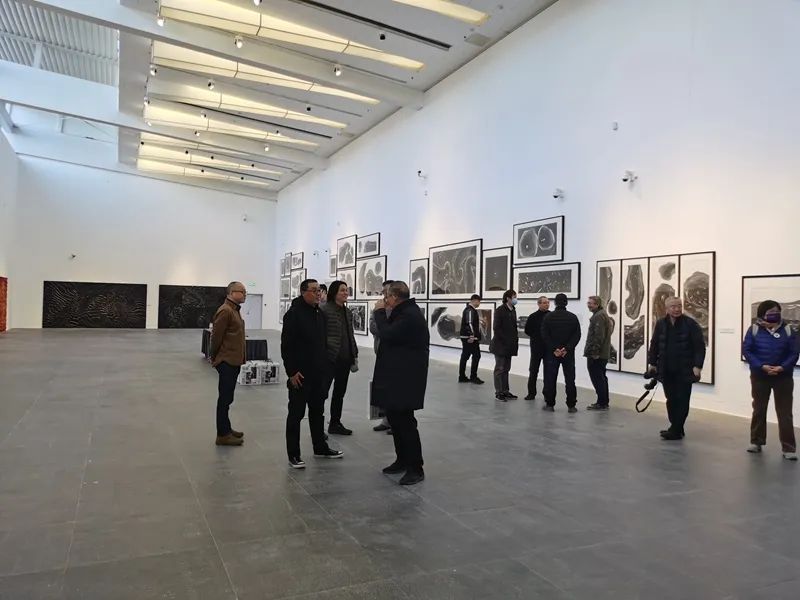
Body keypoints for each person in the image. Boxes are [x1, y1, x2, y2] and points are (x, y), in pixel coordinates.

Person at [281, 279, 343, 468]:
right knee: (296, 414)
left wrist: (325, 367)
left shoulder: (319, 314)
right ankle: (294, 454)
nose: (318, 294)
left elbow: (322, 344)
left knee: (317, 412)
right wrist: (292, 372)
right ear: (303, 292)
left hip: (318, 374)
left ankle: (320, 447)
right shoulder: (293, 315)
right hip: (300, 375)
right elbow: (286, 346)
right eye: (314, 290)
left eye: (319, 291)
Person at [372, 281, 429, 485]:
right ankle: (402, 460)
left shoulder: (410, 315)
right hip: (397, 375)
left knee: (405, 423)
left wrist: (379, 312)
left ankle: (415, 467)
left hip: (406, 378)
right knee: (396, 419)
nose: (385, 299)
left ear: (395, 296)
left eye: (387, 296)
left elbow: (387, 334)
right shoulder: (404, 312)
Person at [742, 300, 798, 460]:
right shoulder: (754, 329)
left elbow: (794, 352)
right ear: (762, 314)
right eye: (771, 312)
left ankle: (789, 448)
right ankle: (756, 442)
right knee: (759, 409)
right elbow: (747, 350)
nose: (775, 314)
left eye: (777, 311)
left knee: (785, 413)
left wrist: (782, 367)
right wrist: (761, 366)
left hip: (783, 377)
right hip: (760, 376)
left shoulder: (788, 330)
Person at [647, 297, 705, 440]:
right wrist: (652, 363)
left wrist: (697, 366)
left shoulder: (690, 324)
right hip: (666, 369)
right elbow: (654, 344)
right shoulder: (661, 324)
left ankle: (675, 429)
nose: (677, 309)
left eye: (679, 306)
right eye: (673, 306)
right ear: (666, 309)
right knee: (671, 399)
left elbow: (699, 347)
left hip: (685, 369)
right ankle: (677, 427)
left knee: (683, 400)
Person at [209, 282, 247, 446]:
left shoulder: (234, 310)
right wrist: (214, 357)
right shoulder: (225, 311)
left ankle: (226, 428)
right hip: (227, 361)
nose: (245, 294)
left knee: (228, 398)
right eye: (242, 291)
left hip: (233, 360)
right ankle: (222, 434)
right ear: (232, 292)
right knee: (224, 399)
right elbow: (216, 337)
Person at [322, 280, 358, 436]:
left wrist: (354, 353)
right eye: (342, 290)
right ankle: (317, 427)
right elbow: (320, 335)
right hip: (330, 359)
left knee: (339, 393)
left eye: (347, 290)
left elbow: (350, 335)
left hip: (345, 359)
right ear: (334, 292)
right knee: (322, 393)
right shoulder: (324, 310)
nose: (346, 293)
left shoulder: (347, 312)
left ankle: (335, 423)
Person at [541, 293, 581, 412]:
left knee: (550, 379)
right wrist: (566, 348)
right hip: (568, 354)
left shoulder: (548, 317)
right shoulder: (572, 317)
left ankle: (550, 404)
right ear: (566, 303)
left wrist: (555, 349)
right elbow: (577, 335)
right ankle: (571, 405)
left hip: (553, 353)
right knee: (570, 379)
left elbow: (545, 335)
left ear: (555, 303)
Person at [370, 280, 394, 433]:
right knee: (385, 389)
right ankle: (387, 420)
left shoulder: (397, 310)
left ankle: (395, 421)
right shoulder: (379, 307)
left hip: (393, 355)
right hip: (381, 352)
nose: (384, 294)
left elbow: (390, 331)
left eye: (387, 291)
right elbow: (373, 327)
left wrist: (383, 328)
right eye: (383, 291)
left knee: (395, 390)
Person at [584, 295, 612, 410]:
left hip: (597, 354)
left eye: (590, 303)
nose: (588, 305)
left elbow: (598, 336)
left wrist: (595, 352)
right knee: (601, 377)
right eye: (588, 303)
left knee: (597, 378)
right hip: (602, 353)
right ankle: (603, 402)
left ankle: (601, 403)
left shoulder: (599, 316)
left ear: (597, 304)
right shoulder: (601, 314)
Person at [490, 289, 519, 401]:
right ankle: (499, 392)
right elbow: (496, 328)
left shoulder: (513, 310)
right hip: (500, 345)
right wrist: (505, 340)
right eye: (514, 297)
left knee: (506, 368)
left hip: (509, 346)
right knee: (499, 369)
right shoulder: (500, 310)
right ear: (508, 298)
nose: (516, 299)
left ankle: (505, 391)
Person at [524, 296, 551, 400]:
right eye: (544, 303)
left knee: (548, 372)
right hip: (536, 348)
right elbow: (527, 330)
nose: (547, 304)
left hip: (548, 348)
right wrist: (536, 336)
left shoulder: (551, 315)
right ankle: (531, 393)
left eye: (548, 302)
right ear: (539, 304)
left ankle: (547, 393)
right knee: (533, 371)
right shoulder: (533, 316)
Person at [458, 294, 484, 384]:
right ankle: (473, 377)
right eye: (479, 301)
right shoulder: (470, 310)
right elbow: (469, 323)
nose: (479, 303)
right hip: (470, 338)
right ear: (474, 300)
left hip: (467, 337)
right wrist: (472, 335)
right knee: (476, 356)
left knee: (465, 356)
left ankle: (462, 376)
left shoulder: (470, 310)